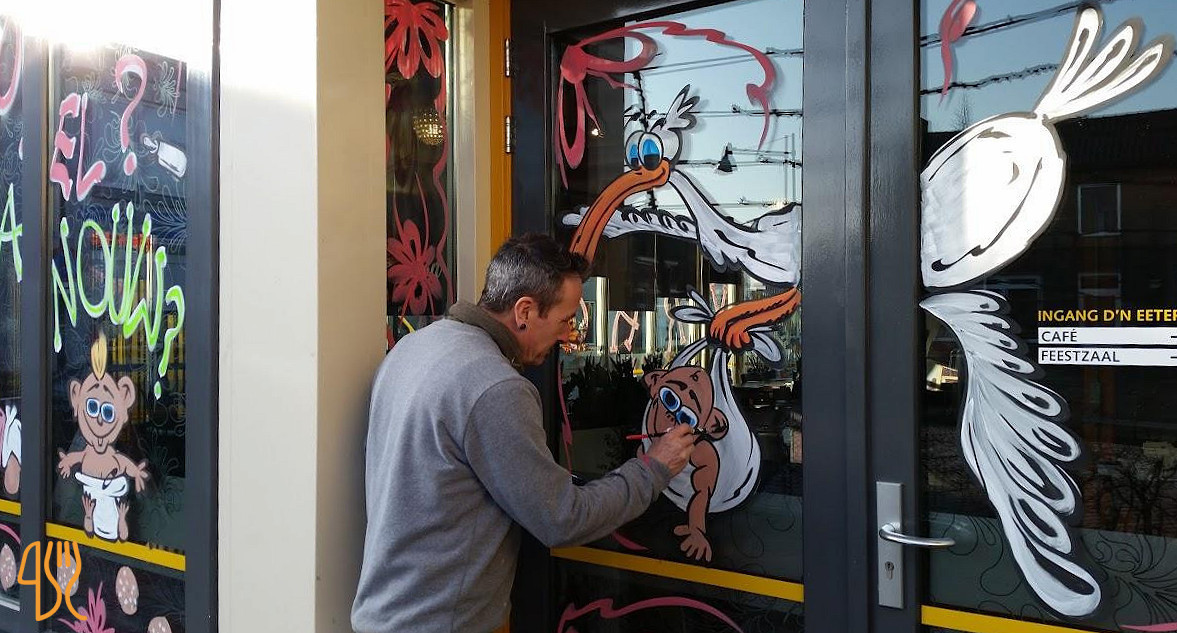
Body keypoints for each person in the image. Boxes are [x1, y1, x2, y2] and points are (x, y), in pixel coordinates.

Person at [351, 234, 697, 633]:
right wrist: (654, 468)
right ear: (525, 311)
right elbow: (562, 519)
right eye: (566, 319)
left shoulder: (411, 349)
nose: (569, 335)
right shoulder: (496, 387)